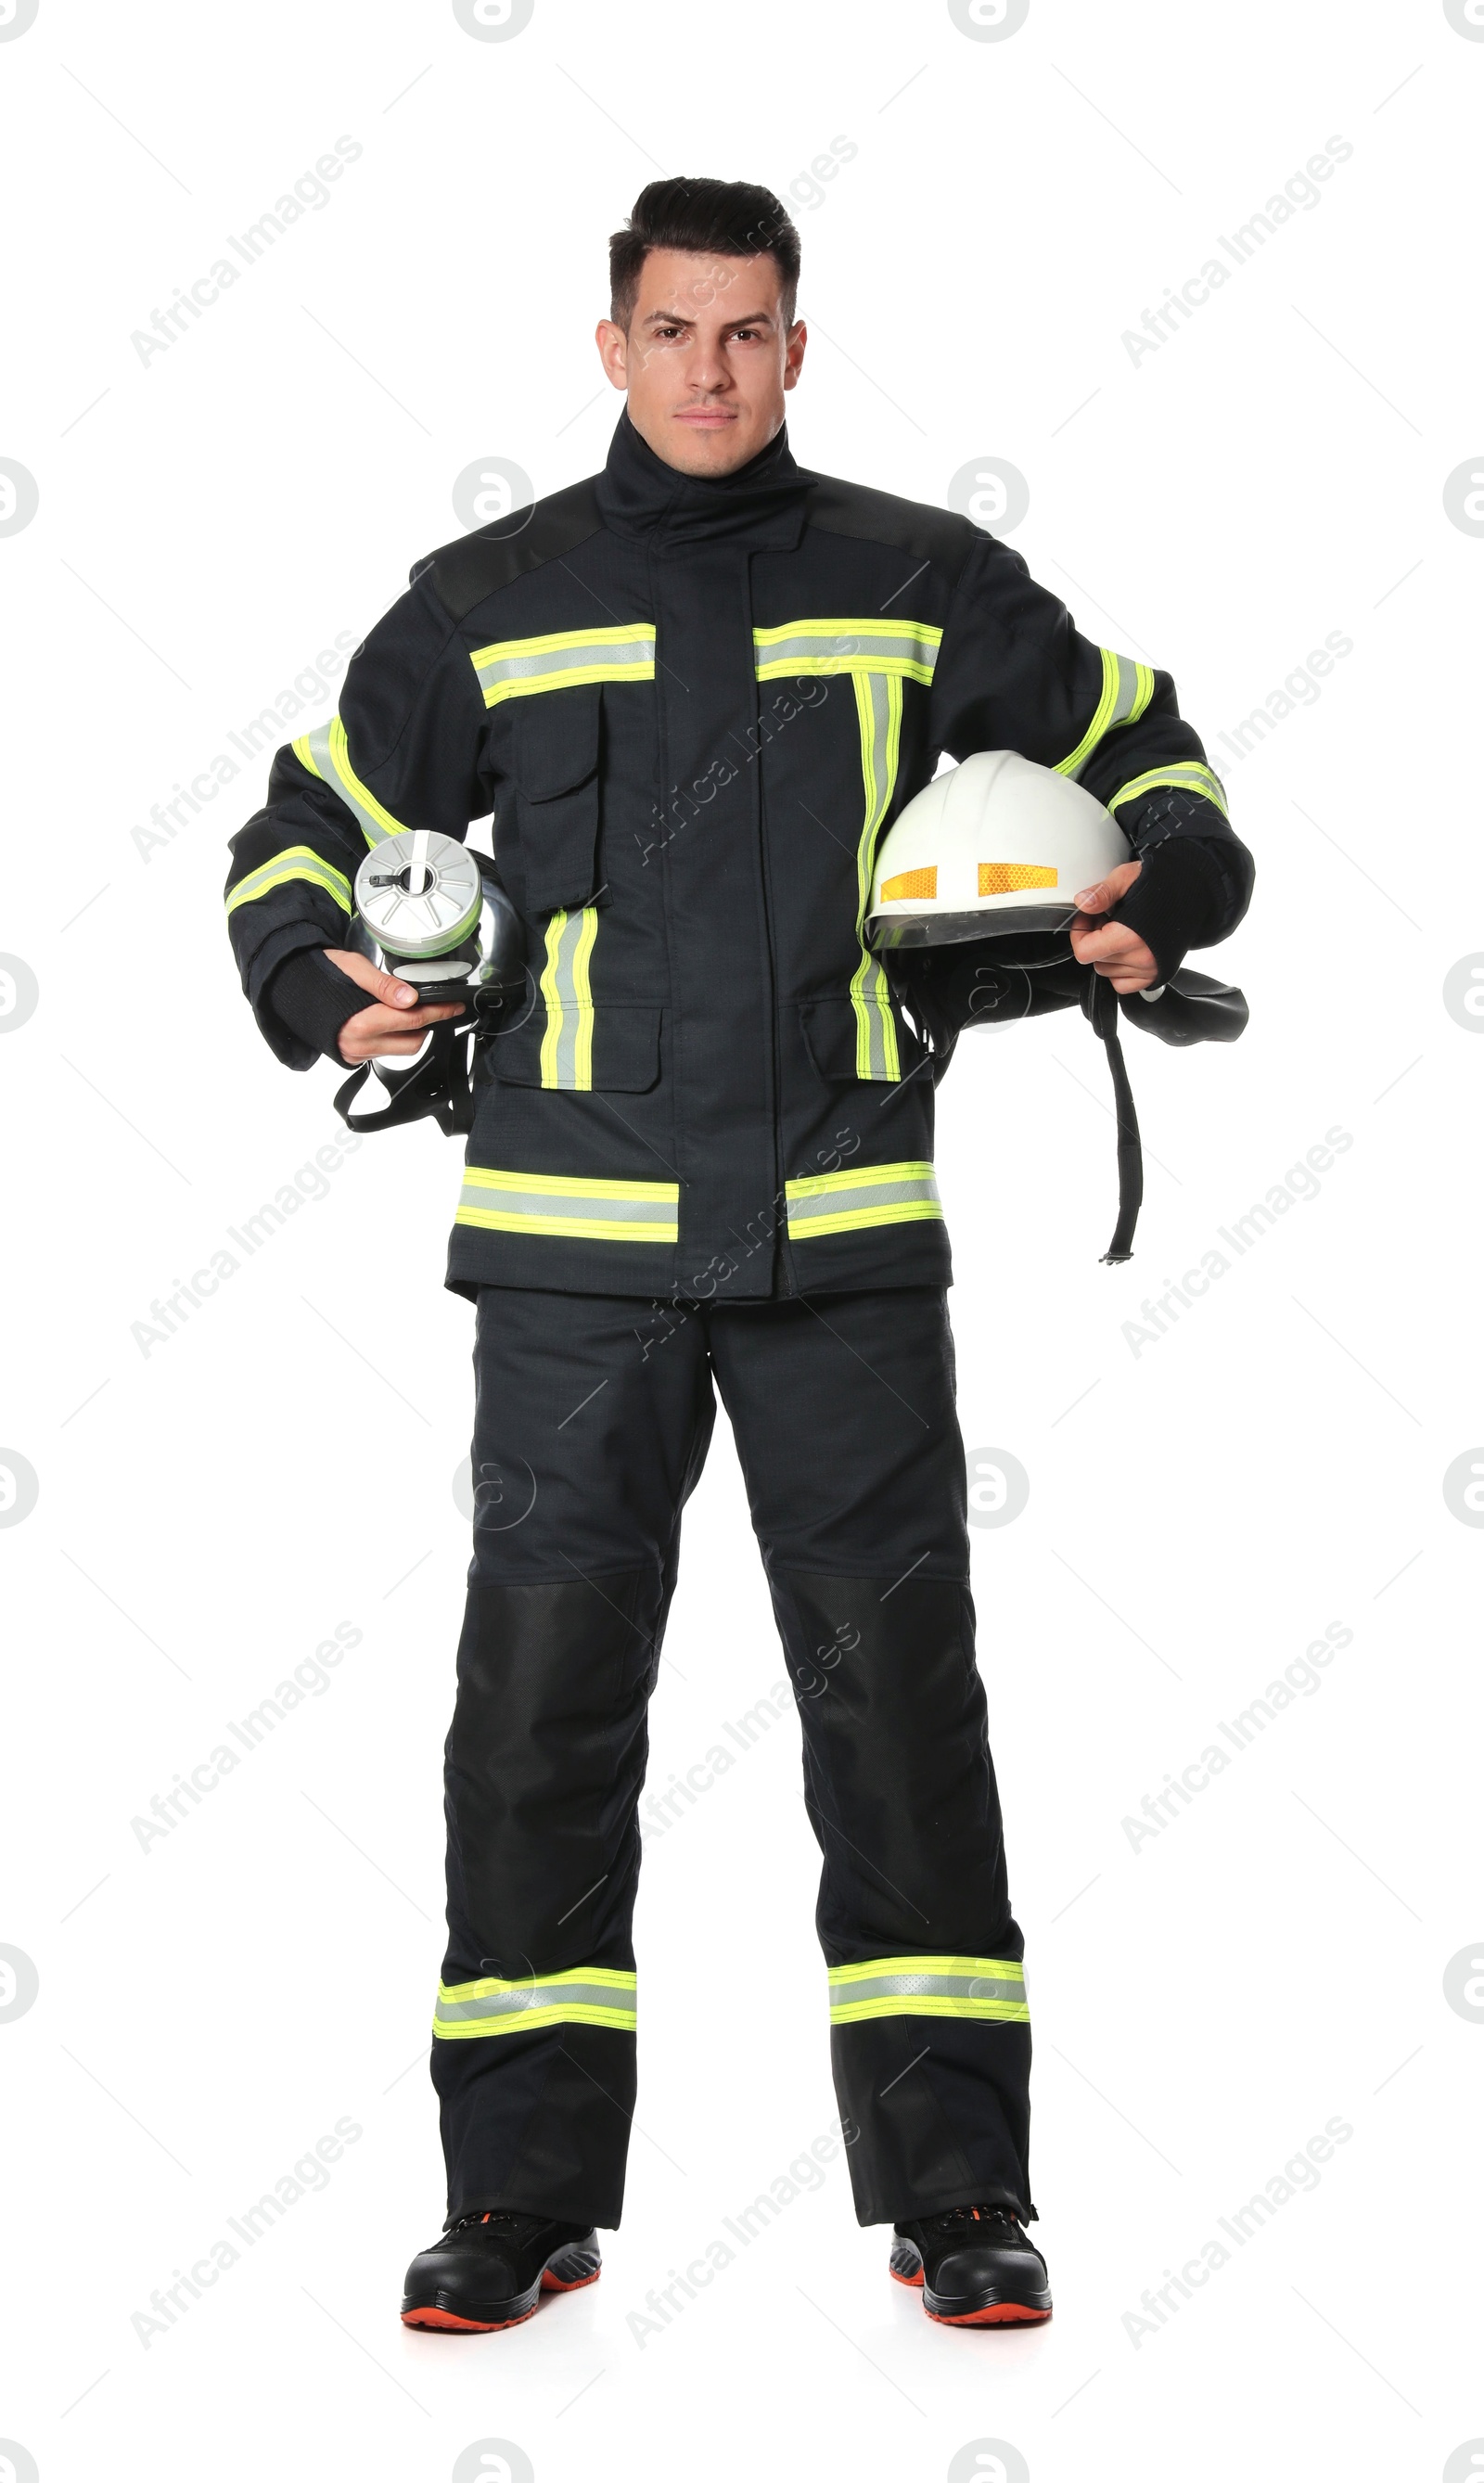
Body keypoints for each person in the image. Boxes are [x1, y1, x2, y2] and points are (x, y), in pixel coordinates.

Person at [225, 176, 1253, 2335]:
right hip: (571, 1261)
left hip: (846, 1250)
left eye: (750, 331)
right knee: (535, 1722)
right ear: (607, 346)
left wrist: (1170, 888)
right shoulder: (487, 601)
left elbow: (1148, 750)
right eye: (673, 330)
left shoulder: (917, 579)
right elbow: (295, 826)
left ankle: (957, 2189)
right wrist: (328, 986)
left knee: (897, 1715)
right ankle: (515, 2199)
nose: (710, 370)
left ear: (799, 345)